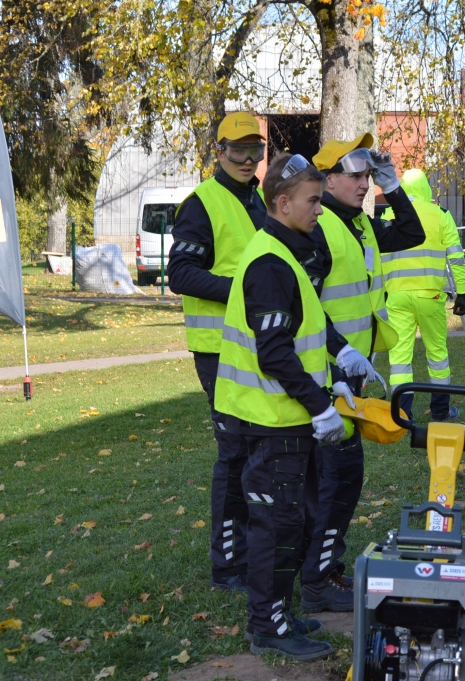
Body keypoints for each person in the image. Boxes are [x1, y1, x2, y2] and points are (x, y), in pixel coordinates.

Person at [215, 153, 351, 661]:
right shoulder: (270, 263)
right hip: (274, 421)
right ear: (282, 202)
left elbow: (300, 339)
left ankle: (277, 611)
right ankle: (267, 624)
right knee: (276, 527)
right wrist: (319, 406)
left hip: (283, 417)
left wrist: (330, 385)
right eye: (313, 201)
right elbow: (274, 352)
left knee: (288, 524)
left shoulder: (282, 251)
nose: (320, 210)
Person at [297, 134, 425, 614]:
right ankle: (317, 581)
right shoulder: (320, 227)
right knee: (339, 477)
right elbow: (306, 306)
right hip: (328, 374)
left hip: (352, 372)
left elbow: (412, 234)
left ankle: (321, 568)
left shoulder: (362, 227)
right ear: (327, 179)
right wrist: (342, 354)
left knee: (328, 480)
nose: (363, 183)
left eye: (368, 175)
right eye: (354, 175)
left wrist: (394, 188)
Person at [168, 112, 267, 592]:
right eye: (238, 150)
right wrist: (244, 289)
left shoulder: (258, 199)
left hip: (255, 345)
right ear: (219, 150)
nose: (248, 160)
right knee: (234, 455)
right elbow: (180, 274)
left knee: (257, 451)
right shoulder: (201, 204)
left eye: (257, 151)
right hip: (217, 349)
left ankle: (253, 553)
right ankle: (227, 564)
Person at [381, 168, 465, 422]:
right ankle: (440, 410)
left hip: (396, 296)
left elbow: (377, 257)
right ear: (426, 188)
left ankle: (402, 413)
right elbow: (456, 257)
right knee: (437, 354)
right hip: (430, 297)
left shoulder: (388, 214)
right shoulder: (440, 215)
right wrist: (461, 293)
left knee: (398, 358)